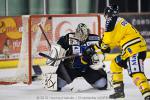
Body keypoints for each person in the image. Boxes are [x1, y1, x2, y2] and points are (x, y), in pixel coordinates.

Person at [99, 4, 150, 100]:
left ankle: (147, 94)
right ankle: (119, 91)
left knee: (136, 73)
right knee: (115, 63)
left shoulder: (111, 20)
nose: (105, 17)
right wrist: (106, 46)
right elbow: (115, 39)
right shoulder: (118, 20)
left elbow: (108, 39)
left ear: (107, 13)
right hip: (131, 49)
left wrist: (103, 45)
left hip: (134, 50)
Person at [54, 23, 108, 91]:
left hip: (88, 69)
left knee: (102, 84)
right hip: (71, 68)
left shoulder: (95, 39)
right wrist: (56, 52)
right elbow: (59, 46)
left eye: (82, 35)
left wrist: (98, 62)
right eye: (79, 35)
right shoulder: (69, 37)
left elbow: (102, 53)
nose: (80, 38)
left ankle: (97, 80)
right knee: (56, 85)